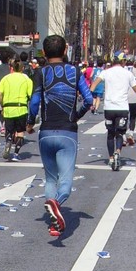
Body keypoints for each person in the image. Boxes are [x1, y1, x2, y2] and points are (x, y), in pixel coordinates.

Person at [27, 34, 93, 237]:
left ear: (44, 53)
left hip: (46, 132)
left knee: (49, 179)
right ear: (65, 51)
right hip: (67, 132)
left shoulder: (40, 72)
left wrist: (30, 122)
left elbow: (35, 102)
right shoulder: (74, 71)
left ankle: (53, 221)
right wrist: (76, 116)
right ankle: (57, 204)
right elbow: (88, 99)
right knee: (65, 181)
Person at [91, 57, 136, 170]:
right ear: (123, 62)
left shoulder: (106, 72)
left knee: (110, 133)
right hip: (122, 107)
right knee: (120, 133)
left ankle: (111, 158)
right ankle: (118, 151)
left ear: (112, 63)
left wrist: (90, 95)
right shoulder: (128, 74)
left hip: (109, 108)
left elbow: (94, 85)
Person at [0, 59, 33, 161]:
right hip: (21, 108)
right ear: (23, 68)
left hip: (8, 108)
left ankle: (8, 141)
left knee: (9, 130)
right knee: (20, 132)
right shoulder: (27, 80)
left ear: (11, 68)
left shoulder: (6, 78)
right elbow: (31, 95)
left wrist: (3, 104)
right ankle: (16, 154)